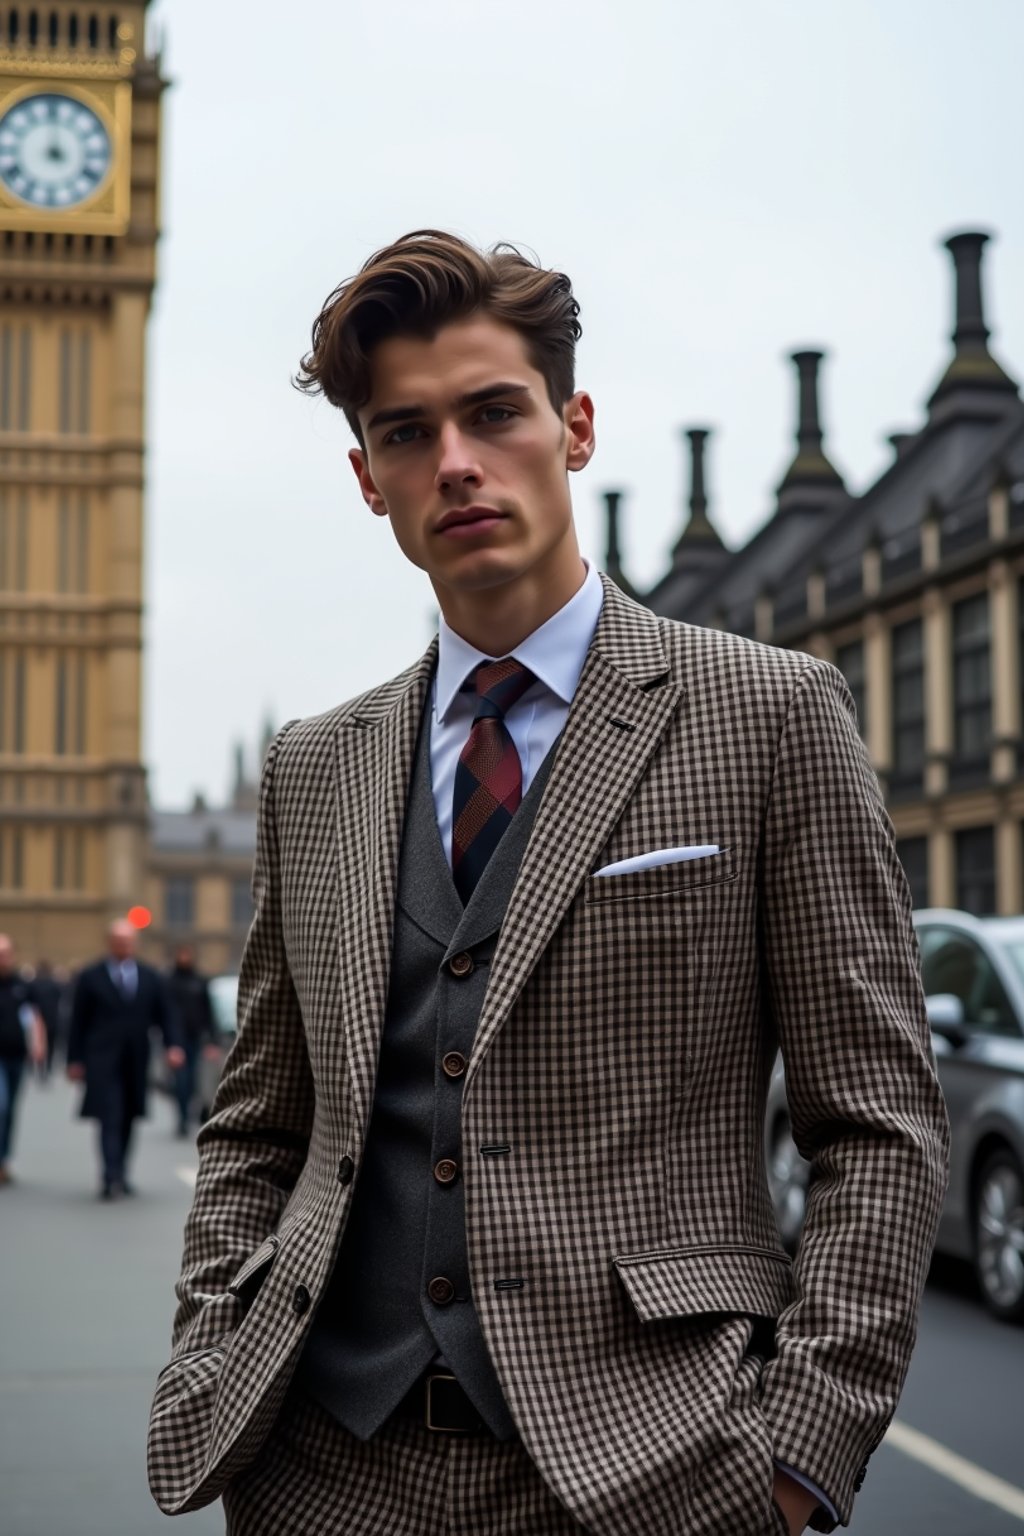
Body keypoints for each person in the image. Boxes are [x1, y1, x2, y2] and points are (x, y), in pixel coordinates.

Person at [148, 232, 950, 1536]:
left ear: (574, 427)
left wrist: (801, 1453)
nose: (453, 461)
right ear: (367, 479)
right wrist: (213, 1342)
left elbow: (877, 1124)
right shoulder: (314, 767)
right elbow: (258, 1124)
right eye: (405, 434)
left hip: (655, 1476)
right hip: (322, 1473)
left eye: (493, 413)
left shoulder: (771, 715)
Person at [67, 920, 184, 1199]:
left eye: (129, 942)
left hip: (135, 1057)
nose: (124, 947)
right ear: (110, 943)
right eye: (119, 942)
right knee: (109, 1114)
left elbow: (165, 1014)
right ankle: (109, 1175)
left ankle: (122, 1170)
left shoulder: (149, 976)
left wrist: (173, 1046)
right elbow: (77, 1022)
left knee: (129, 1115)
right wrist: (75, 1059)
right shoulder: (91, 976)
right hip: (101, 1058)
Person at [0, 934, 45, 1184]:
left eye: (5, 954)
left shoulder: (23, 985)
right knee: (1, 1105)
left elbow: (34, 1017)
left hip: (17, 1055)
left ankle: (3, 1158)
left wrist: (39, 1044)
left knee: (10, 1111)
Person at [164, 945, 215, 1137]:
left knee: (194, 1080)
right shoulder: (169, 982)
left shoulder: (199, 981)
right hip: (176, 1039)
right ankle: (182, 1117)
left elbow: (207, 1012)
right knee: (181, 1080)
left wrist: (211, 1039)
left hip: (196, 1038)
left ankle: (190, 1114)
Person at [31, 959, 66, 1079]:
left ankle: (41, 1067)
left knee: (39, 1044)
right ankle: (49, 1065)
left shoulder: (34, 984)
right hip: (52, 1017)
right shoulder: (55, 984)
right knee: (50, 1044)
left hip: (39, 1019)